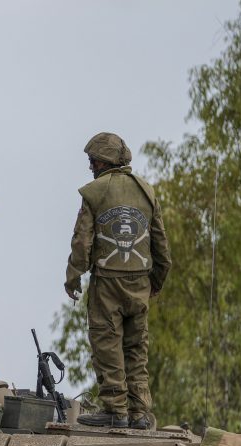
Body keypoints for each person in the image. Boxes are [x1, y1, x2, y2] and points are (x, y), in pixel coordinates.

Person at [65, 132, 172, 430]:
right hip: (139, 283)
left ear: (104, 162)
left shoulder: (95, 192)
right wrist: (157, 281)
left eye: (92, 161)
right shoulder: (146, 192)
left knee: (106, 344)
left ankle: (115, 408)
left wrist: (73, 277)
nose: (90, 167)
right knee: (137, 348)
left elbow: (81, 241)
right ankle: (139, 411)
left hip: (108, 283)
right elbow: (161, 245)